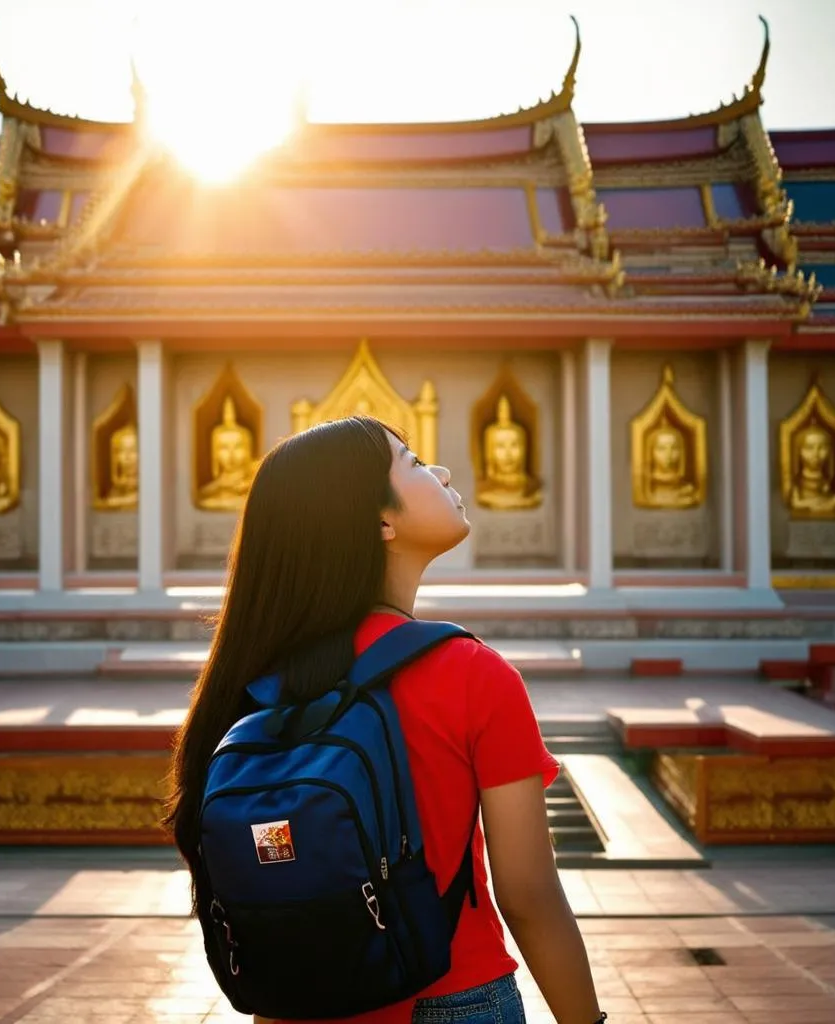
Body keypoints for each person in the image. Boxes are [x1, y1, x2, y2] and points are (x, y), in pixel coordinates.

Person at [164, 416, 602, 1024]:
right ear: (381, 521)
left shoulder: (256, 678)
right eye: (416, 462)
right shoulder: (472, 674)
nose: (443, 471)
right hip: (453, 999)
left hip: (293, 1009)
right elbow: (528, 896)